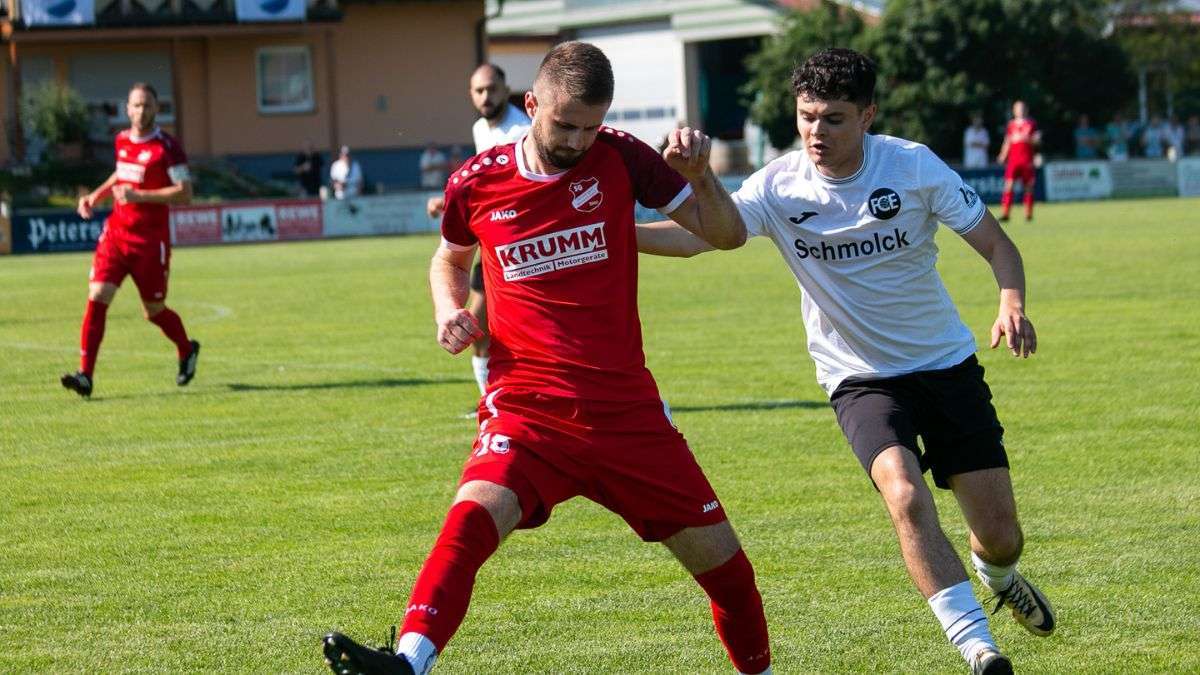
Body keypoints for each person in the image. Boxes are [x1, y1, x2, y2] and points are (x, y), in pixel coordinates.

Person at [322, 41, 772, 675]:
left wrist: (701, 175)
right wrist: (448, 309)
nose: (579, 140)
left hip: (627, 415)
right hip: (527, 409)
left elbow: (725, 236)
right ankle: (406, 663)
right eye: (564, 124)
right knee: (471, 517)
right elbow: (449, 259)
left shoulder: (621, 156)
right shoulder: (474, 183)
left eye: (591, 125)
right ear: (530, 104)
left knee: (730, 575)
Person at [638, 48, 1054, 675]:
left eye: (833, 119)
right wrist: (614, 230)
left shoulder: (912, 167)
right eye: (806, 116)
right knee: (904, 493)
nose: (816, 133)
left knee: (1000, 536)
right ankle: (977, 647)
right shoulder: (778, 185)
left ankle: (998, 575)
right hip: (858, 377)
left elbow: (998, 243)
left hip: (945, 364)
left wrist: (1010, 301)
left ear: (867, 117)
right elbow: (701, 237)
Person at [62, 82, 200, 398]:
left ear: (157, 109)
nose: (141, 111)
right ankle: (86, 375)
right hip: (116, 235)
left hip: (150, 242)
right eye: (136, 105)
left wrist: (139, 195)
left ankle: (186, 348)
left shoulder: (168, 147)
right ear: (127, 109)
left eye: (147, 105)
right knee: (97, 296)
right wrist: (97, 195)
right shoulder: (122, 140)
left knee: (154, 311)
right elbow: (120, 175)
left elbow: (185, 193)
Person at [426, 63, 532, 396]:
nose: (486, 96)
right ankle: (494, 400)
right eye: (479, 91)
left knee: (481, 328)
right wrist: (452, 204)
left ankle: (498, 402)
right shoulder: (481, 129)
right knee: (482, 332)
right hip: (491, 243)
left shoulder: (522, 132)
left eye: (492, 89)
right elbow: (484, 186)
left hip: (520, 245)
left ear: (505, 88)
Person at [997, 100, 1039, 222]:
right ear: (1014, 110)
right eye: (1017, 108)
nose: (1020, 110)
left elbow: (1037, 141)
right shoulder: (1011, 125)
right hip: (1013, 160)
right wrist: (1003, 154)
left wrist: (1029, 139)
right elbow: (1007, 141)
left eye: (1022, 108)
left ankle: (1028, 214)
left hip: (1027, 159)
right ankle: (1005, 213)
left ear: (1026, 110)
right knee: (1009, 186)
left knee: (1028, 187)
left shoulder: (1031, 124)